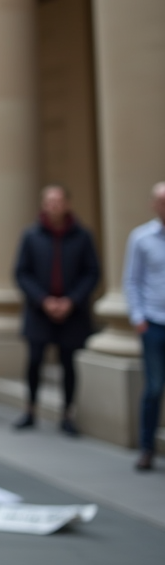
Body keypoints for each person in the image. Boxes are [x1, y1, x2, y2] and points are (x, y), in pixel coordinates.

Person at [13, 185, 100, 436]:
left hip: (72, 312)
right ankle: (30, 409)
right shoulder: (31, 236)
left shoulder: (82, 236)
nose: (54, 205)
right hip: (40, 310)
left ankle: (67, 413)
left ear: (67, 204)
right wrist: (43, 300)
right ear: (43, 204)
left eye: (58, 201)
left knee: (68, 363)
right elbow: (21, 273)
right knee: (35, 361)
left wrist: (71, 300)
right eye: (49, 201)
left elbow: (92, 273)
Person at [125, 182, 165, 471]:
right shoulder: (141, 238)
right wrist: (138, 317)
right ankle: (147, 447)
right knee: (153, 387)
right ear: (154, 204)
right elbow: (132, 280)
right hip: (152, 322)